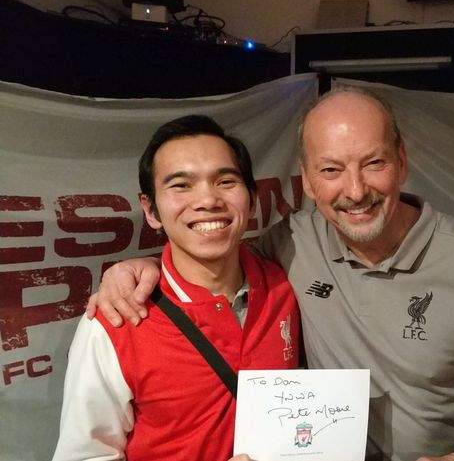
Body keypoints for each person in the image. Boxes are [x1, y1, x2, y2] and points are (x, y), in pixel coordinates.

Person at [89, 87, 454, 461]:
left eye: (373, 163)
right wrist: (139, 268)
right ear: (307, 181)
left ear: (402, 162)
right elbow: (210, 255)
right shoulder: (290, 242)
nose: (355, 190)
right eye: (331, 169)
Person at [53, 115, 300, 461]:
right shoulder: (116, 319)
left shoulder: (283, 284)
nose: (208, 200)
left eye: (226, 181)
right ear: (151, 210)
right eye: (181, 185)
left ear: (253, 197)